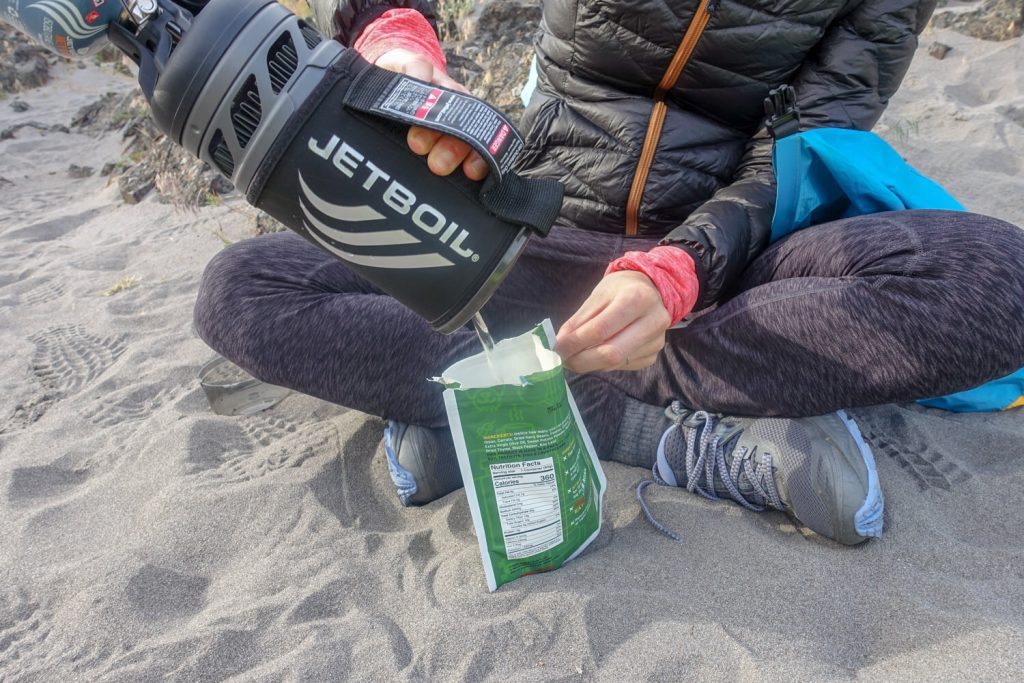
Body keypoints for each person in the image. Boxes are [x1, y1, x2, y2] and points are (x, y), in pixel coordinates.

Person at [194, 0, 1024, 545]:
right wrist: (395, 37)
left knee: (999, 277)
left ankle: (489, 402)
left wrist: (675, 271)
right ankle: (652, 427)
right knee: (242, 289)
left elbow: (809, 138)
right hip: (533, 225)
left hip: (727, 263)